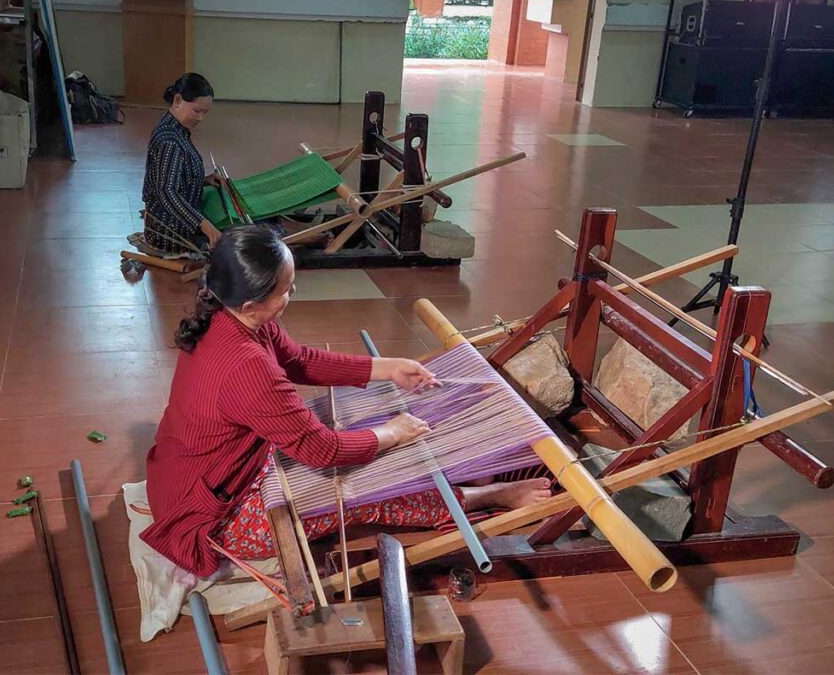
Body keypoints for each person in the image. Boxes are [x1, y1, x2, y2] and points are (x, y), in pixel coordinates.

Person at [140, 225, 552, 577]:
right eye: (285, 290)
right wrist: (390, 433)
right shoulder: (245, 366)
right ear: (252, 303)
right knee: (368, 487)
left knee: (368, 436)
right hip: (212, 516)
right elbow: (322, 450)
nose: (293, 293)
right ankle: (486, 496)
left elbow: (299, 360)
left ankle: (464, 469)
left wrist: (388, 367)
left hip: (197, 475)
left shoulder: (229, 316)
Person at [133, 73, 221, 259]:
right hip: (168, 232)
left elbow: (173, 177)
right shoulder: (170, 140)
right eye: (197, 111)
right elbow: (166, 191)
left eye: (205, 113)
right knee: (242, 235)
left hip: (169, 222)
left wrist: (204, 180)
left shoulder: (175, 129)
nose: (201, 118)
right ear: (178, 100)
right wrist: (204, 224)